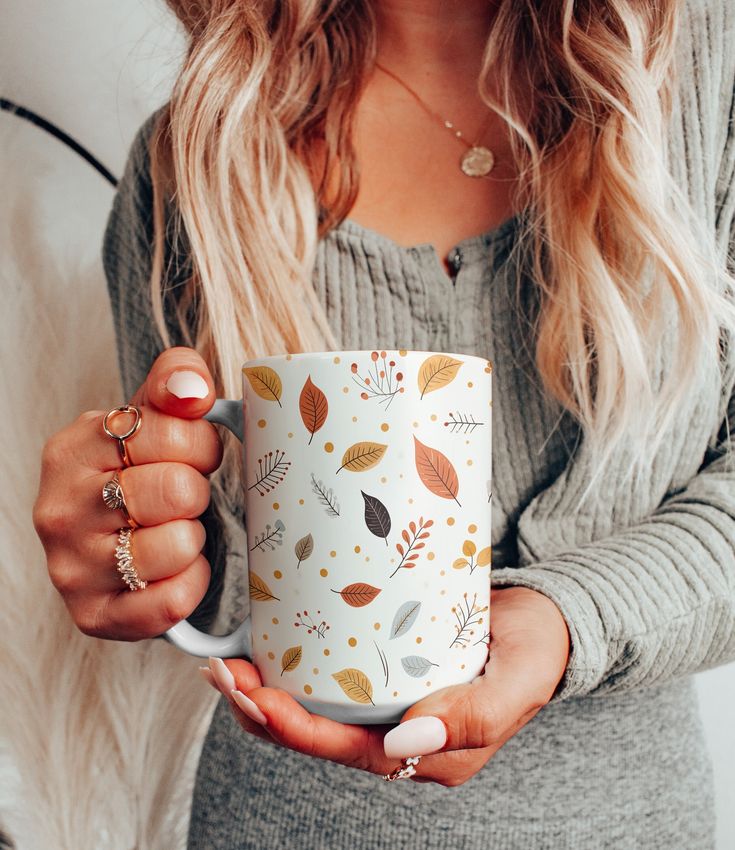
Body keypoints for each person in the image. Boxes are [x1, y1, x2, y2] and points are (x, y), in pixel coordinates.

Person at [33, 0, 735, 847]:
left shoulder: (702, 79)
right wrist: (132, 536)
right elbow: (224, 578)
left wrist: (563, 616)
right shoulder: (193, 158)